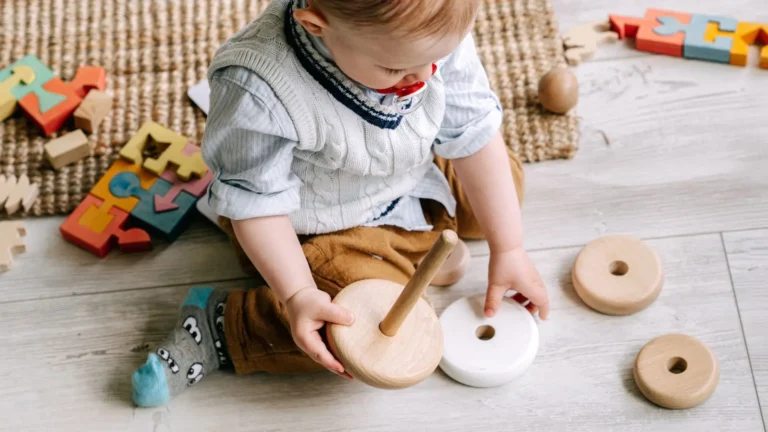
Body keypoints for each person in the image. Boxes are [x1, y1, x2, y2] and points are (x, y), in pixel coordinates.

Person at [132, 0, 549, 407]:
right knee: (356, 330)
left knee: (503, 183)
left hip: (408, 171)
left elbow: (472, 128)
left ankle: (419, 238)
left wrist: (508, 247)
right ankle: (224, 325)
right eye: (395, 69)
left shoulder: (430, 28)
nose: (423, 77)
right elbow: (257, 205)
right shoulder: (258, 86)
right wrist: (297, 295)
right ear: (316, 24)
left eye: (437, 60)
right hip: (314, 226)